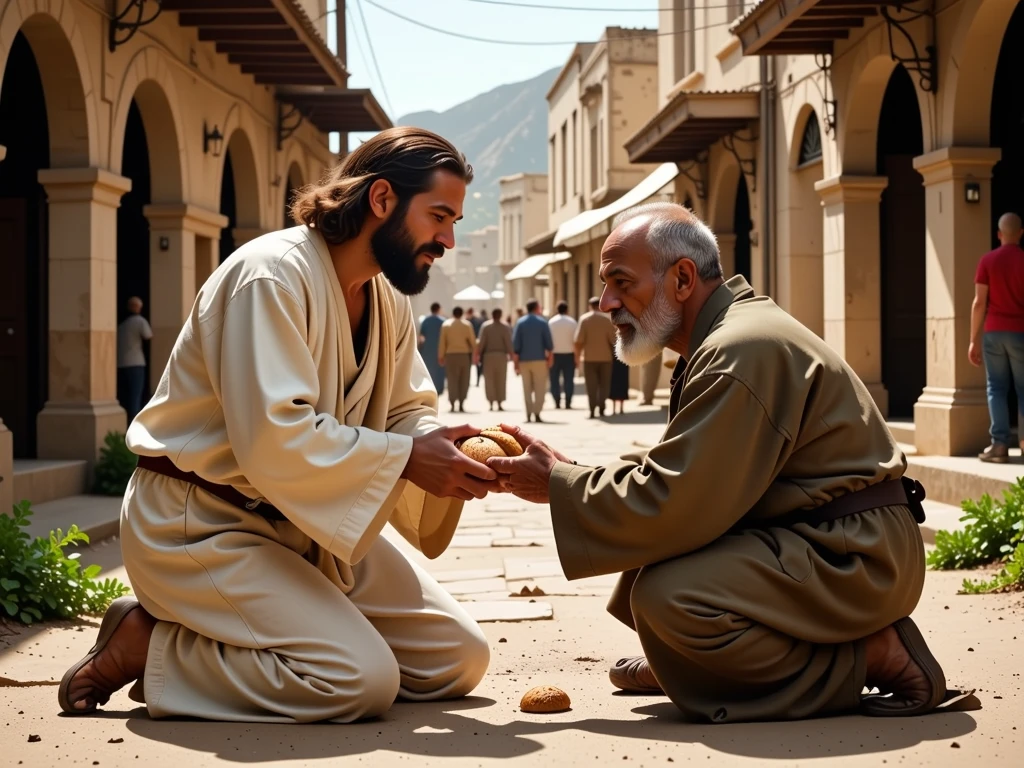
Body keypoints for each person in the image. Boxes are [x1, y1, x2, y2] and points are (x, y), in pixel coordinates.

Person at [58, 126, 499, 723]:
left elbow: (405, 409)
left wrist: (458, 448)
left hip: (309, 529)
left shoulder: (385, 297)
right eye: (440, 216)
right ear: (382, 200)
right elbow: (275, 438)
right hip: (203, 525)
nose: (448, 238)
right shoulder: (271, 276)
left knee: (457, 658)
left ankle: (287, 632)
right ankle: (151, 644)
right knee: (358, 682)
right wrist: (407, 458)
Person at [486, 201, 960, 724]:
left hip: (855, 558)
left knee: (670, 596)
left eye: (621, 283)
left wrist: (558, 483)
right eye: (605, 285)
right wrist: (570, 471)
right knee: (647, 536)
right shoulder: (727, 335)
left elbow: (682, 500)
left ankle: (873, 656)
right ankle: (698, 659)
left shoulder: (741, 349)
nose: (605, 303)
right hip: (827, 540)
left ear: (683, 278)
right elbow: (688, 467)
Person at [970, 212, 1024, 463]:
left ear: (999, 234)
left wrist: (973, 339)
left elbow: (979, 302)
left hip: (993, 332)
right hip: (1020, 332)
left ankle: (999, 446)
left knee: (996, 388)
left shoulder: (987, 260)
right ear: (1021, 233)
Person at [512, 299, 553, 423]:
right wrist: (550, 358)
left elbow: (516, 346)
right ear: (536, 308)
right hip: (539, 360)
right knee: (541, 388)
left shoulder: (520, 322)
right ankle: (537, 412)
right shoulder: (542, 322)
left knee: (527, 388)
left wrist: (515, 364)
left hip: (524, 360)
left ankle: (529, 413)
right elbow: (549, 345)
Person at [574, 297, 617, 419]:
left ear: (589, 306)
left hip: (589, 358)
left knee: (591, 385)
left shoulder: (584, 319)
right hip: (605, 358)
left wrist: (577, 356)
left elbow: (578, 341)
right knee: (604, 384)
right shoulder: (607, 320)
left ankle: (592, 409)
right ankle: (602, 407)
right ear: (599, 305)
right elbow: (613, 340)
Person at [117, 296, 153, 423]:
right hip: (136, 363)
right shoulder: (140, 321)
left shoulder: (121, 325)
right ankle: (136, 425)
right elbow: (148, 335)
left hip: (121, 363)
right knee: (135, 398)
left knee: (125, 397)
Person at [439, 306, 477, 413]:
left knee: (452, 380)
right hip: (464, 356)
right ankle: (461, 403)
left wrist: (441, 356)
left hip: (450, 356)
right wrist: (475, 354)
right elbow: (473, 342)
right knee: (464, 379)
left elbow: (442, 343)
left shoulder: (446, 325)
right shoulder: (467, 325)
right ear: (462, 313)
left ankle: (452, 403)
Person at [475, 307, 514, 411]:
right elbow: (509, 343)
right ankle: (500, 402)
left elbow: (481, 343)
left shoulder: (486, 326)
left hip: (488, 356)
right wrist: (512, 356)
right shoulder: (505, 327)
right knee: (501, 379)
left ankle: (491, 402)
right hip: (501, 356)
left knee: (489, 380)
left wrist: (477, 355)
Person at [548, 300, 578, 409]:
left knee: (554, 379)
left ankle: (557, 401)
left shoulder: (551, 322)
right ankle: (568, 402)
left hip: (555, 355)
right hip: (569, 355)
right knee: (569, 379)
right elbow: (576, 341)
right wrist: (577, 357)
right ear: (566, 310)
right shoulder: (572, 322)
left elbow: (548, 341)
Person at [418, 303, 446, 396]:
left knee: (428, 370)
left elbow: (421, 336)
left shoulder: (425, 320)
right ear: (438, 309)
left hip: (427, 349)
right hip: (439, 348)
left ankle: (429, 388)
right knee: (439, 369)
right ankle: (439, 389)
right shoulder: (443, 321)